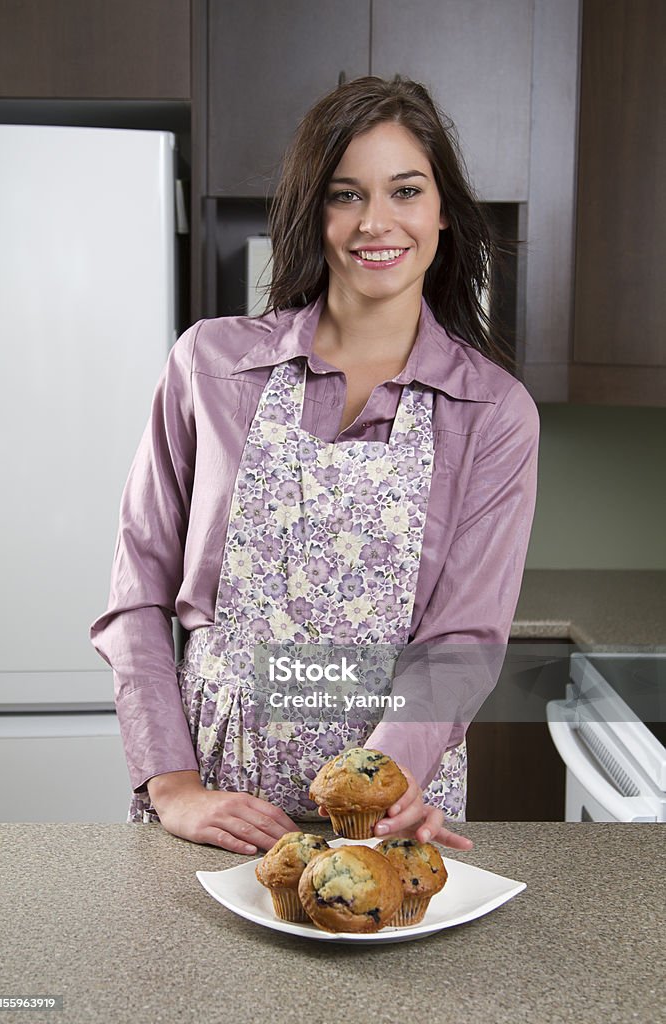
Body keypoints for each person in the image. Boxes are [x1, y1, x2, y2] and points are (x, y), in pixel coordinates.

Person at [90, 76, 539, 857]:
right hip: (215, 798)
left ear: (441, 212)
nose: (376, 222)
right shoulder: (211, 366)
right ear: (314, 213)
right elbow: (136, 595)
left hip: (389, 806)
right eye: (344, 195)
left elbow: (461, 638)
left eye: (405, 190)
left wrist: (386, 785)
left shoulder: (492, 411)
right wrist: (171, 785)